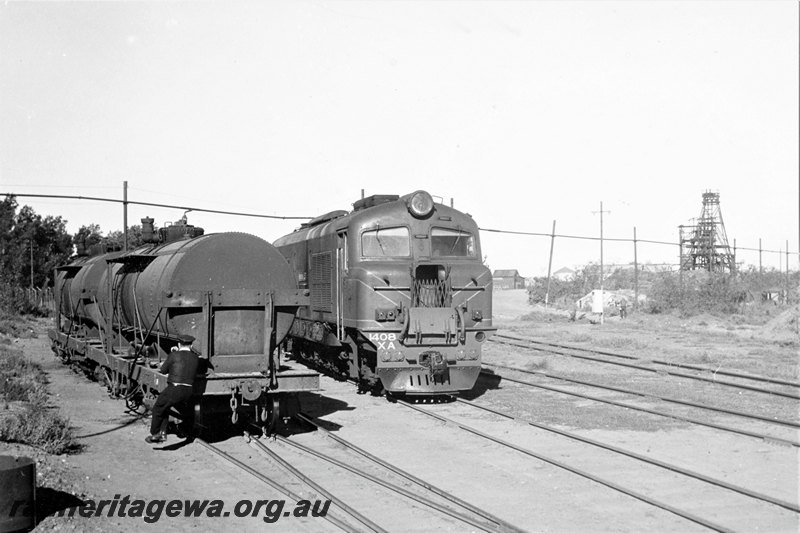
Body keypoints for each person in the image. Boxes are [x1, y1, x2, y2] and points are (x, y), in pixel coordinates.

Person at [145, 334, 199, 444]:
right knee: (166, 407)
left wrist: (172, 354)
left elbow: (163, 370)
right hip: (188, 391)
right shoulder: (195, 357)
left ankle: (156, 434)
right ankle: (163, 432)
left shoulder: (174, 355)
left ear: (179, 344)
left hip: (175, 389)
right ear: (191, 345)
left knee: (158, 408)